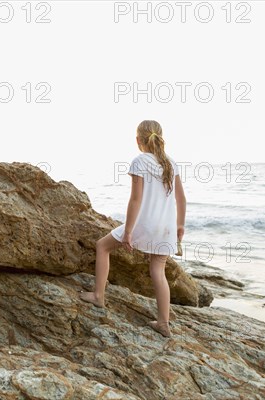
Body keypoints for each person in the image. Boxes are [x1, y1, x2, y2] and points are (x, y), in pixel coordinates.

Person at [79, 120, 186, 338]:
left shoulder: (140, 161)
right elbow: (181, 199)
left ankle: (99, 295)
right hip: (165, 227)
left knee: (102, 246)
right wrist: (180, 226)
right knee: (158, 270)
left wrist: (128, 231)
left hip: (144, 225)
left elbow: (135, 200)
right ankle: (164, 323)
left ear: (138, 140)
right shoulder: (171, 163)